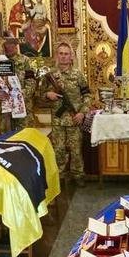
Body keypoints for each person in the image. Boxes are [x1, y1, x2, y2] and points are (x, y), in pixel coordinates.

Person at [42, 42, 91, 186]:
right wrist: (48, 94)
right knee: (58, 150)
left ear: (71, 57)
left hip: (74, 119)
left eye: (66, 54)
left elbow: (87, 95)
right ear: (57, 56)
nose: (63, 56)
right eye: (61, 53)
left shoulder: (78, 75)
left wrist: (82, 113)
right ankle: (60, 176)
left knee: (76, 150)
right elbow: (39, 95)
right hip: (58, 120)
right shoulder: (50, 75)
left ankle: (78, 175)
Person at [0, 37, 37, 132]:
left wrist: (20, 95)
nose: (8, 47)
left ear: (16, 45)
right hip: (5, 109)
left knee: (25, 136)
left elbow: (31, 81)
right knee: (6, 137)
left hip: (23, 108)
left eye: (11, 43)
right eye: (6, 44)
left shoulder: (25, 61)